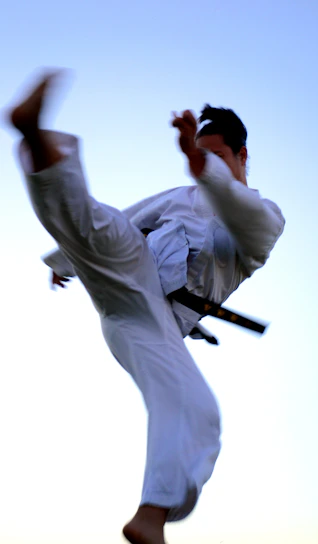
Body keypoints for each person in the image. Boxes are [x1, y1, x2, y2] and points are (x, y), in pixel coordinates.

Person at [7, 70, 285, 544]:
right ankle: (32, 131)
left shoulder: (265, 217)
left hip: (156, 320)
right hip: (133, 274)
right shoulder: (179, 197)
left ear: (241, 156)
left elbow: (245, 215)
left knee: (196, 409)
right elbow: (125, 219)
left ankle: (149, 518)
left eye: (216, 155)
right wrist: (65, 261)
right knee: (106, 226)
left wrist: (201, 165)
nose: (203, 164)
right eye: (200, 155)